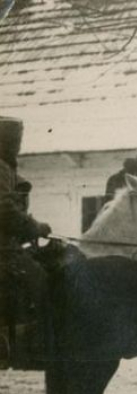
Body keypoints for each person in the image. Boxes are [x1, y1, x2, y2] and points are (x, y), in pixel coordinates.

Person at [0, 116, 53, 367]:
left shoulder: (7, 168)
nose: (17, 145)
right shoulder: (0, 167)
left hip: (9, 244)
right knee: (38, 279)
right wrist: (35, 227)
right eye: (13, 139)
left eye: (19, 139)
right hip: (3, 249)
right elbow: (4, 210)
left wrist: (31, 228)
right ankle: (25, 350)